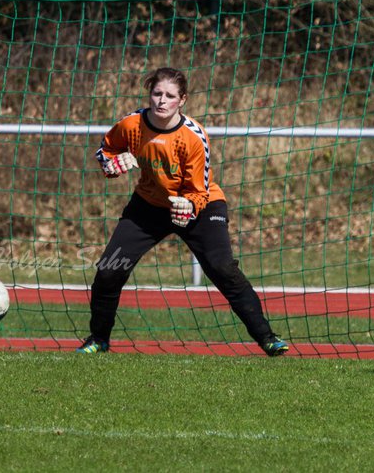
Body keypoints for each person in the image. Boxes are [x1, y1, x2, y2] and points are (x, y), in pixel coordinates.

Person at [79, 66, 290, 357]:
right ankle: (98, 340)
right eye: (156, 93)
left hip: (201, 206)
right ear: (149, 94)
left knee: (222, 268)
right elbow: (105, 151)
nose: (161, 101)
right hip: (148, 206)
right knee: (109, 271)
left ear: (183, 100)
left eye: (169, 95)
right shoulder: (131, 124)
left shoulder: (193, 136)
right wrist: (111, 166)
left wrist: (188, 205)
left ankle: (267, 338)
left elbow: (199, 190)